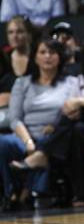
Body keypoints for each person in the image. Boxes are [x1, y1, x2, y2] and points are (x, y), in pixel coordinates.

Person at [12, 34, 84, 207]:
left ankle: (42, 156)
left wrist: (83, 101)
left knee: (76, 126)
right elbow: (69, 108)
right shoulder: (81, 81)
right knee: (75, 127)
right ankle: (66, 188)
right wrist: (61, 119)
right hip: (77, 132)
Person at [0, 38, 75, 211]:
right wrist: (28, 142)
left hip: (53, 135)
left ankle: (33, 192)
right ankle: (10, 192)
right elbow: (14, 119)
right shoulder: (22, 83)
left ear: (60, 57)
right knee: (2, 143)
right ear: (35, 57)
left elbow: (70, 112)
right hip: (25, 135)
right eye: (42, 52)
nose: (47, 56)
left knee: (53, 140)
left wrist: (55, 126)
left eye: (52, 52)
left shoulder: (70, 82)